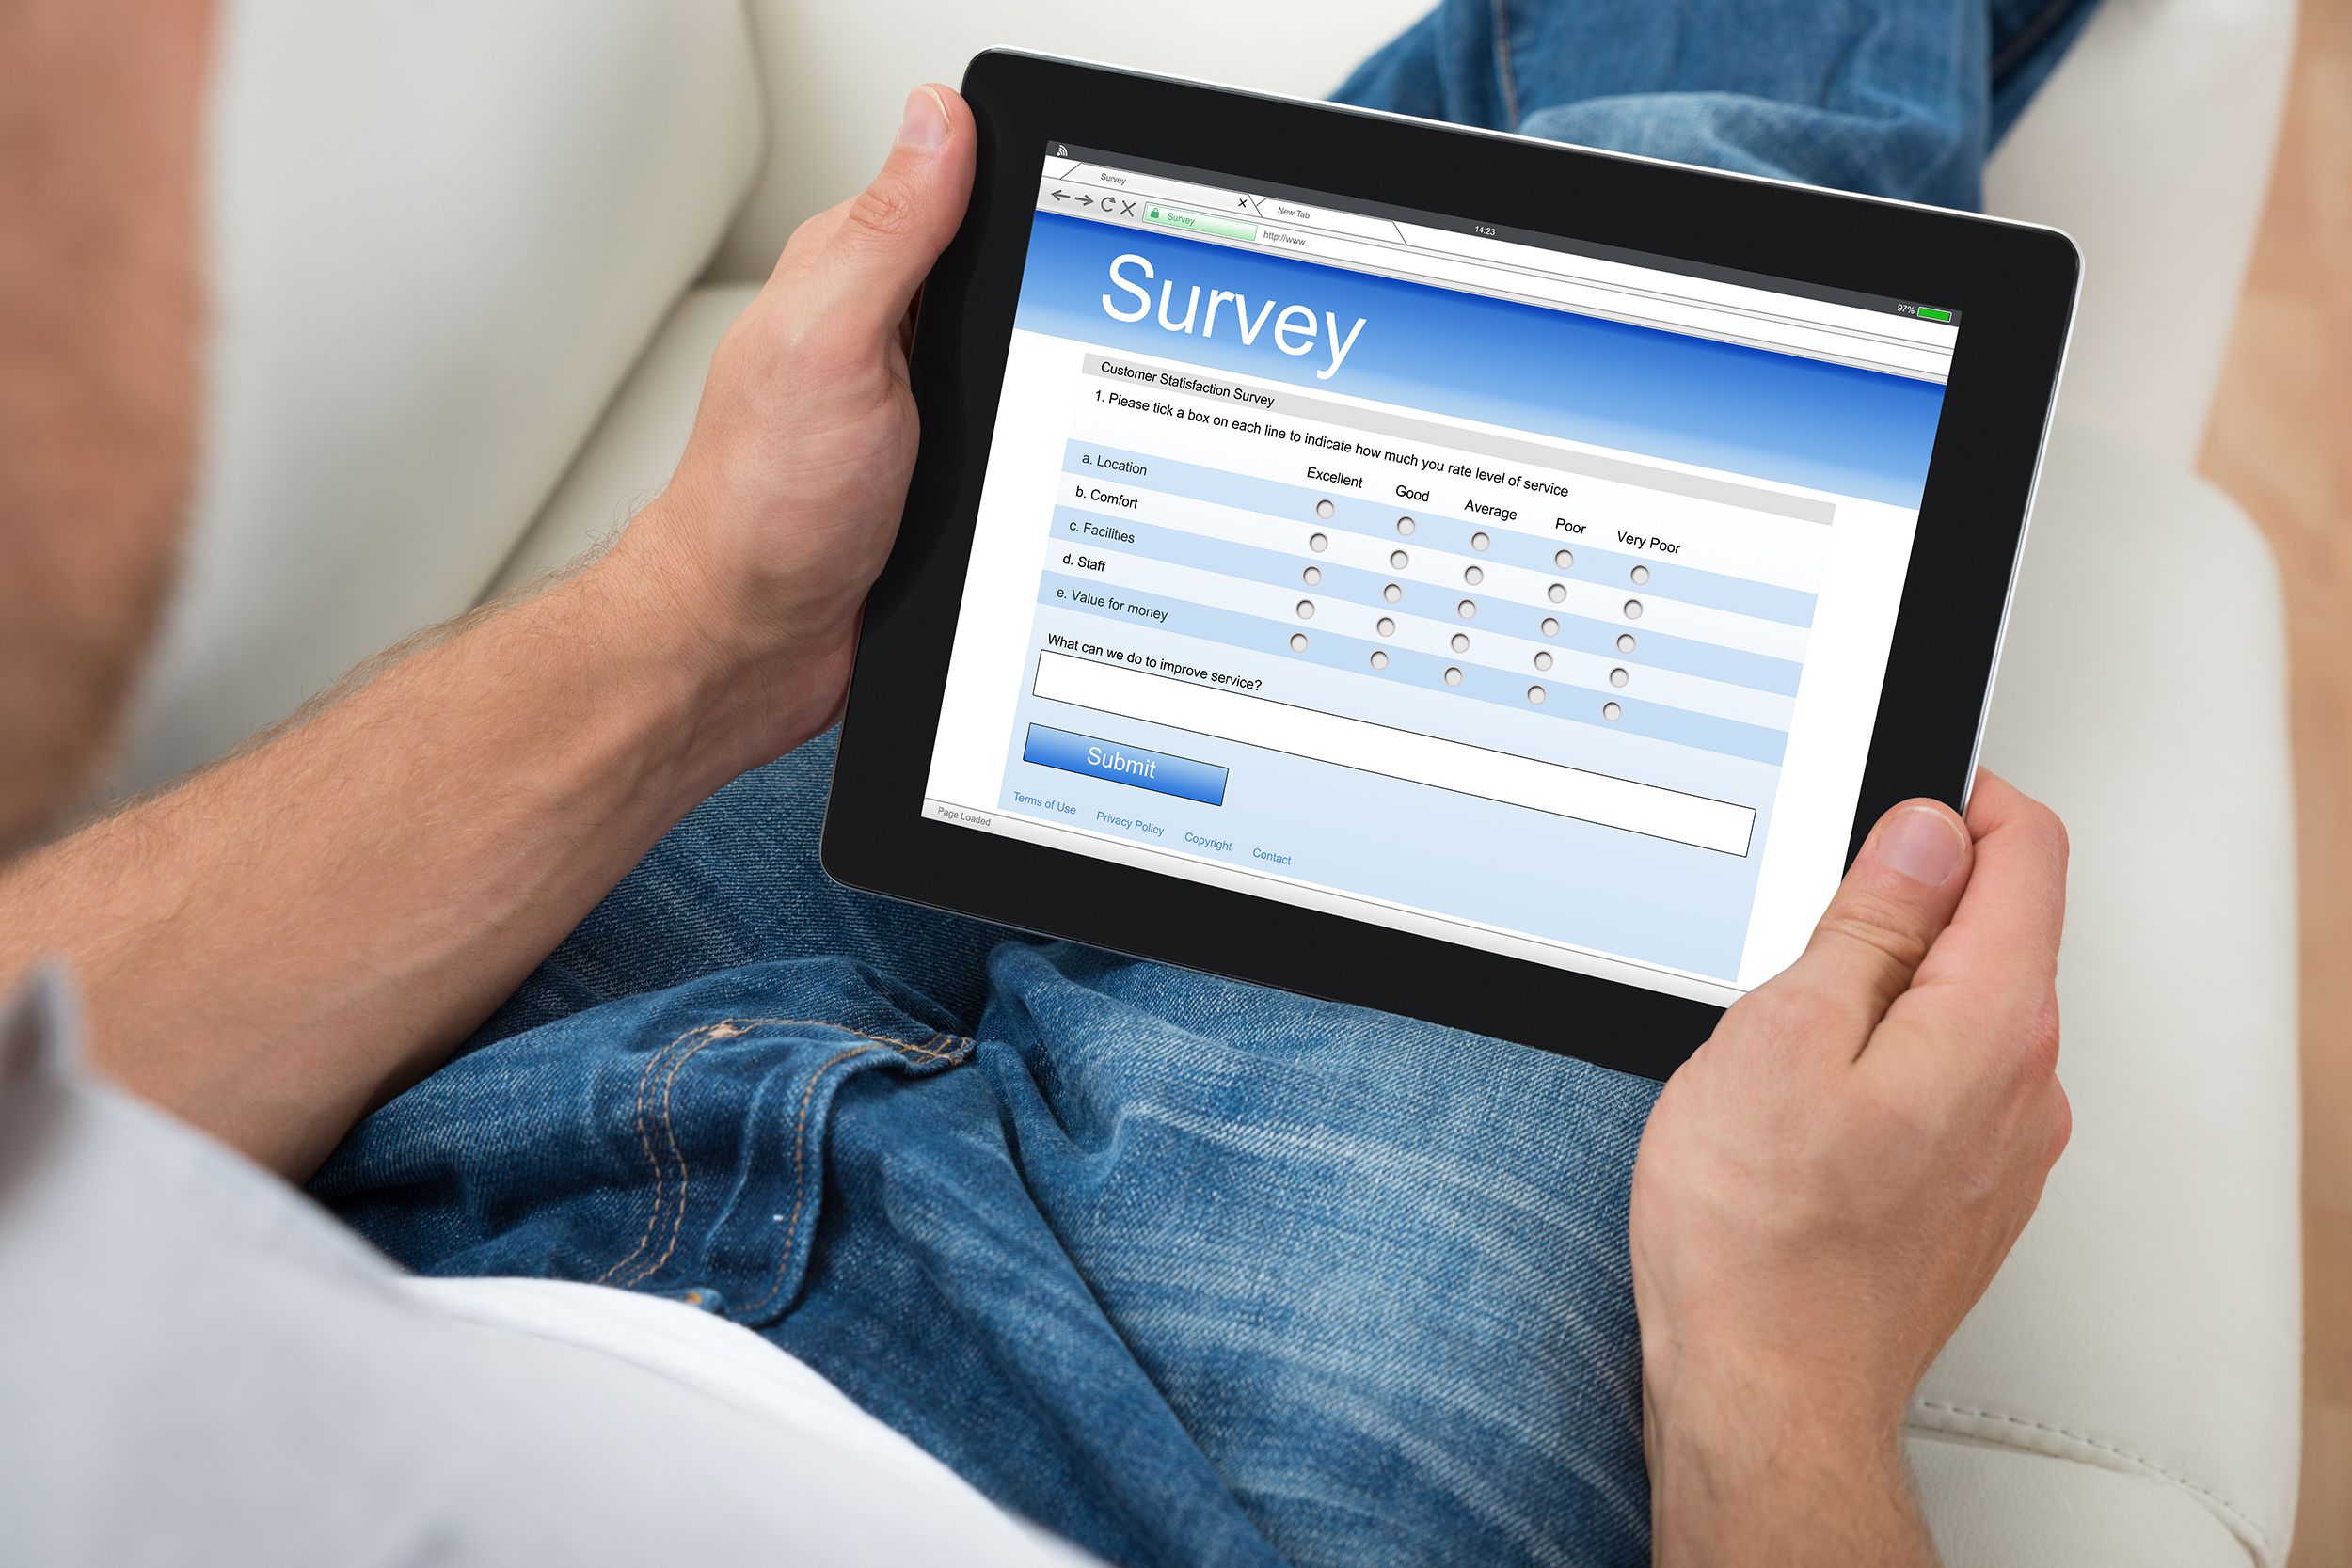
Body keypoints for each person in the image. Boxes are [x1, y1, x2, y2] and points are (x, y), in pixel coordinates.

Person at [0, 2, 2090, 1563]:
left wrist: (694, 630)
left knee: (1297, 268)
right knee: (1728, 202)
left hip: (384, 1194)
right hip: (1180, 1487)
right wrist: (1777, 1368)